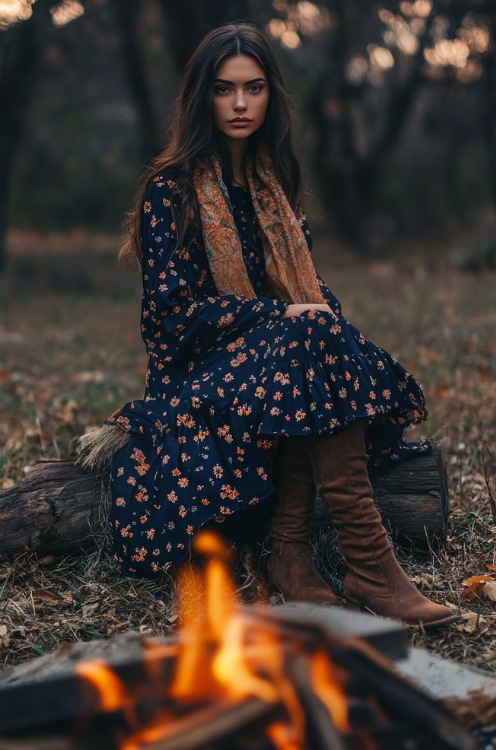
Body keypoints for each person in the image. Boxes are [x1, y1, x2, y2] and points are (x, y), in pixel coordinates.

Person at [80, 22, 459, 629]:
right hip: (197, 380)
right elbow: (170, 323)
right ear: (203, 96)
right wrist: (278, 316)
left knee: (318, 332)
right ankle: (365, 562)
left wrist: (312, 317)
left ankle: (293, 551)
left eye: (253, 88)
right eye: (225, 89)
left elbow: (301, 292)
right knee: (307, 336)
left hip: (278, 367)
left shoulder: (273, 185)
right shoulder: (169, 191)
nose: (238, 104)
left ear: (269, 96)